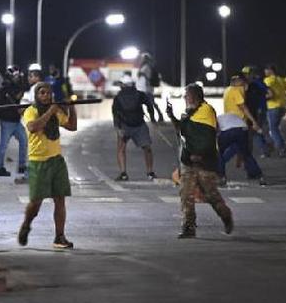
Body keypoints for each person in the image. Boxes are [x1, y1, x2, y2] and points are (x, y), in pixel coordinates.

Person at [166, 84, 234, 238]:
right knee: (186, 194)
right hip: (188, 161)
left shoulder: (206, 111)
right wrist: (171, 116)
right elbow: (182, 130)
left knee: (210, 195)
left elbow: (208, 136)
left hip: (205, 161)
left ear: (195, 96)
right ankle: (189, 227)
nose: (184, 98)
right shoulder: (189, 113)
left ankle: (225, 215)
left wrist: (200, 154)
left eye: (187, 95)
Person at [17, 82, 77, 249]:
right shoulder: (31, 111)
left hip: (56, 160)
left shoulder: (56, 111)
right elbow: (33, 127)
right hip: (38, 161)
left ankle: (59, 237)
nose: (46, 96)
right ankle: (26, 224)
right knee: (35, 204)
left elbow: (72, 126)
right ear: (36, 95)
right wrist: (51, 111)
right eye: (42, 93)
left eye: (48, 93)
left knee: (60, 199)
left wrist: (72, 107)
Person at [218, 74, 266, 185]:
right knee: (242, 150)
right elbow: (243, 107)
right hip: (238, 126)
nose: (245, 87)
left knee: (237, 150)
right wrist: (254, 122)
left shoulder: (227, 91)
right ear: (239, 82)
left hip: (228, 125)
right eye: (244, 84)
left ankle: (221, 174)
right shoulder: (236, 91)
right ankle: (255, 173)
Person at [112, 75, 155, 181]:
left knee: (121, 149)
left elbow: (115, 114)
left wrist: (118, 128)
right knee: (147, 148)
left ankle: (123, 173)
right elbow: (149, 105)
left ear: (122, 85)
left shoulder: (118, 97)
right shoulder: (140, 95)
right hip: (139, 124)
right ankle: (150, 172)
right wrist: (153, 118)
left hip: (125, 126)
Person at [0, 66, 28, 177]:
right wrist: (5, 113)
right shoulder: (4, 90)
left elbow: (21, 92)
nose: (18, 78)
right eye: (15, 76)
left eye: (18, 76)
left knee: (24, 141)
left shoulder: (18, 87)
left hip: (16, 122)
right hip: (7, 122)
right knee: (3, 145)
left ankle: (22, 166)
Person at [243, 66, 272, 157]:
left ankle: (265, 148)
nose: (246, 76)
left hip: (257, 110)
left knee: (255, 131)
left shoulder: (256, 84)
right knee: (255, 131)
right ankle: (267, 146)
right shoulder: (250, 84)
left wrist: (261, 102)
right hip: (254, 110)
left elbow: (269, 93)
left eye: (248, 74)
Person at [264, 64, 286, 156]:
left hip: (273, 107)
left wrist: (263, 98)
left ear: (270, 70)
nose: (264, 72)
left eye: (266, 70)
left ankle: (281, 148)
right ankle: (275, 147)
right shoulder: (281, 80)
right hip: (282, 107)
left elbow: (269, 94)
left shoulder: (268, 80)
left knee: (273, 129)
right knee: (275, 128)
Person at [137, 53, 164, 122]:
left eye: (142, 58)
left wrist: (142, 74)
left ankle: (156, 117)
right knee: (151, 103)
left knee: (151, 103)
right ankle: (157, 116)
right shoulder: (144, 66)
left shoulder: (147, 67)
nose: (141, 59)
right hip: (143, 88)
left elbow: (148, 77)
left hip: (147, 88)